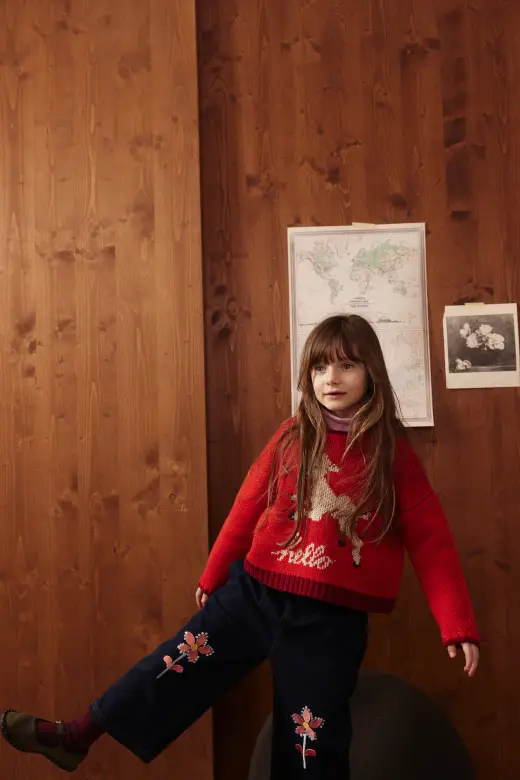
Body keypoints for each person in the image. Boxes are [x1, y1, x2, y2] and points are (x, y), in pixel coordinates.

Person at [1, 314, 479, 778]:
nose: (331, 378)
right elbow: (247, 504)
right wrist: (215, 572)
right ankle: (77, 735)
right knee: (173, 665)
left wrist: (456, 625)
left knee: (312, 741)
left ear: (371, 371)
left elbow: (430, 540)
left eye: (346, 365)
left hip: (329, 623)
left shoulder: (391, 453)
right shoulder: (292, 437)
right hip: (255, 594)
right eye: (319, 367)